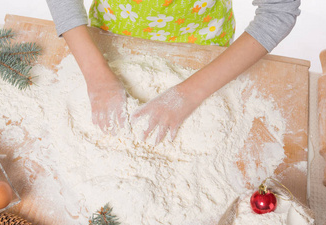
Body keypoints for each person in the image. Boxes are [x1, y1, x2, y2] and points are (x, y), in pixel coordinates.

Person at [46, 0, 300, 144]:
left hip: (203, 50)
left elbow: (278, 11)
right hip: (111, 35)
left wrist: (189, 94)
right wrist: (95, 72)